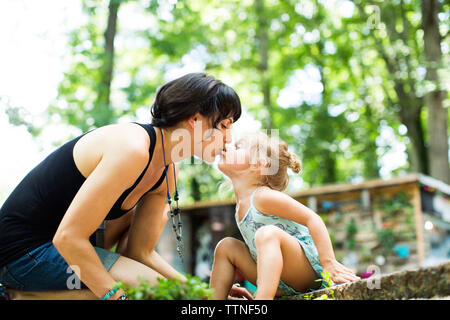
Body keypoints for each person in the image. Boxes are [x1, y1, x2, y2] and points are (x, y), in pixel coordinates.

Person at [0, 72, 250, 300]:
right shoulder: (132, 148)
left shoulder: (167, 170)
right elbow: (68, 238)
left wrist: (202, 294)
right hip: (20, 254)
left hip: (62, 252)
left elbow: (142, 253)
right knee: (144, 292)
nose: (229, 139)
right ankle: (20, 295)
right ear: (194, 119)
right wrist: (116, 296)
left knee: (164, 291)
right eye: (225, 126)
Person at [210, 132, 360, 300]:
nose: (227, 146)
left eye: (237, 147)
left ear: (259, 164)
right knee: (226, 246)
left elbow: (313, 218)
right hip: (278, 281)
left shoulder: (263, 196)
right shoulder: (240, 205)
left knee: (267, 233)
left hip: (306, 273)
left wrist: (328, 262)